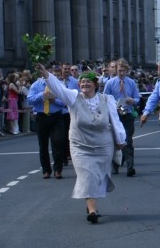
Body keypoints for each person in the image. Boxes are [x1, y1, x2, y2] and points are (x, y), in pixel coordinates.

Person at [37, 64, 126, 224]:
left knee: (98, 176)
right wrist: (45, 74)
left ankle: (92, 204)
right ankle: (92, 210)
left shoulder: (107, 99)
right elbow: (58, 89)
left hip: (103, 145)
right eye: (82, 82)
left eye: (88, 82)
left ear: (95, 85)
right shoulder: (73, 97)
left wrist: (120, 140)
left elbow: (115, 120)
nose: (84, 84)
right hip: (80, 145)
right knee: (87, 174)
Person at [103, 58, 140, 177]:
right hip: (115, 115)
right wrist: (112, 105)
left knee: (128, 140)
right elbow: (105, 98)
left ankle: (130, 166)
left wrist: (133, 100)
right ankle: (115, 165)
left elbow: (137, 98)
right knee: (115, 140)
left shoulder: (131, 82)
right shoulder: (110, 83)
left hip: (127, 114)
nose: (121, 73)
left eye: (124, 71)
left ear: (127, 71)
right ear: (116, 70)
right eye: (119, 70)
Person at [26, 72, 67, 178]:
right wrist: (42, 95)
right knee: (43, 145)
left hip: (56, 116)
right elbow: (29, 100)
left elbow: (65, 101)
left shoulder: (58, 85)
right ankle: (46, 170)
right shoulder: (36, 85)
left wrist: (54, 101)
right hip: (42, 117)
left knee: (58, 141)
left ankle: (58, 169)